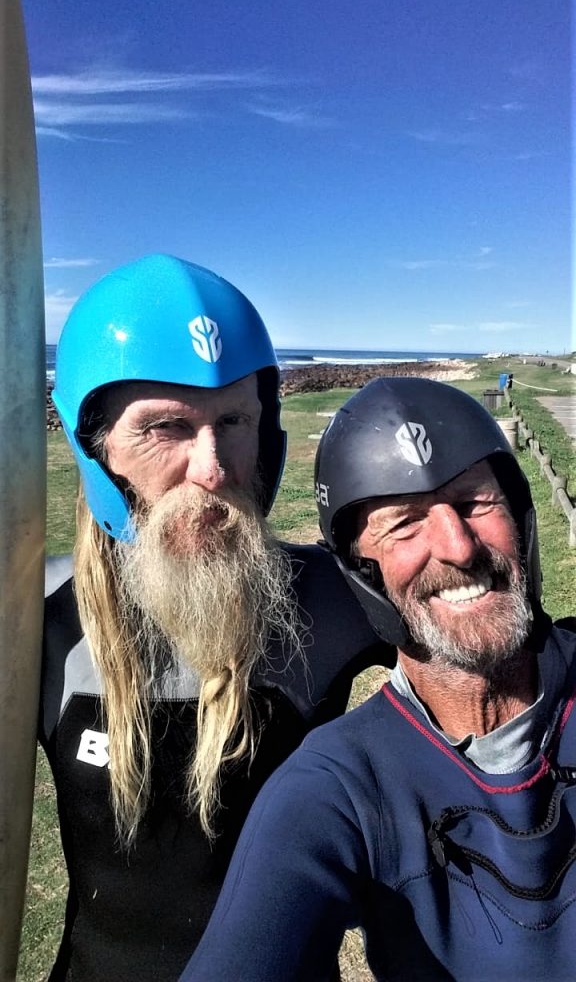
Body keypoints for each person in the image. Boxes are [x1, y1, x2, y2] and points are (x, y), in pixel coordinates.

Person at [40, 254, 386, 982]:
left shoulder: (333, 597)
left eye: (234, 421)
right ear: (96, 447)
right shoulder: (33, 624)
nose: (214, 467)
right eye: (166, 427)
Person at [181, 377, 576, 982]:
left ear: (519, 515)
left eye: (475, 502)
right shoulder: (341, 786)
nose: (459, 547)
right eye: (405, 523)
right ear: (362, 572)